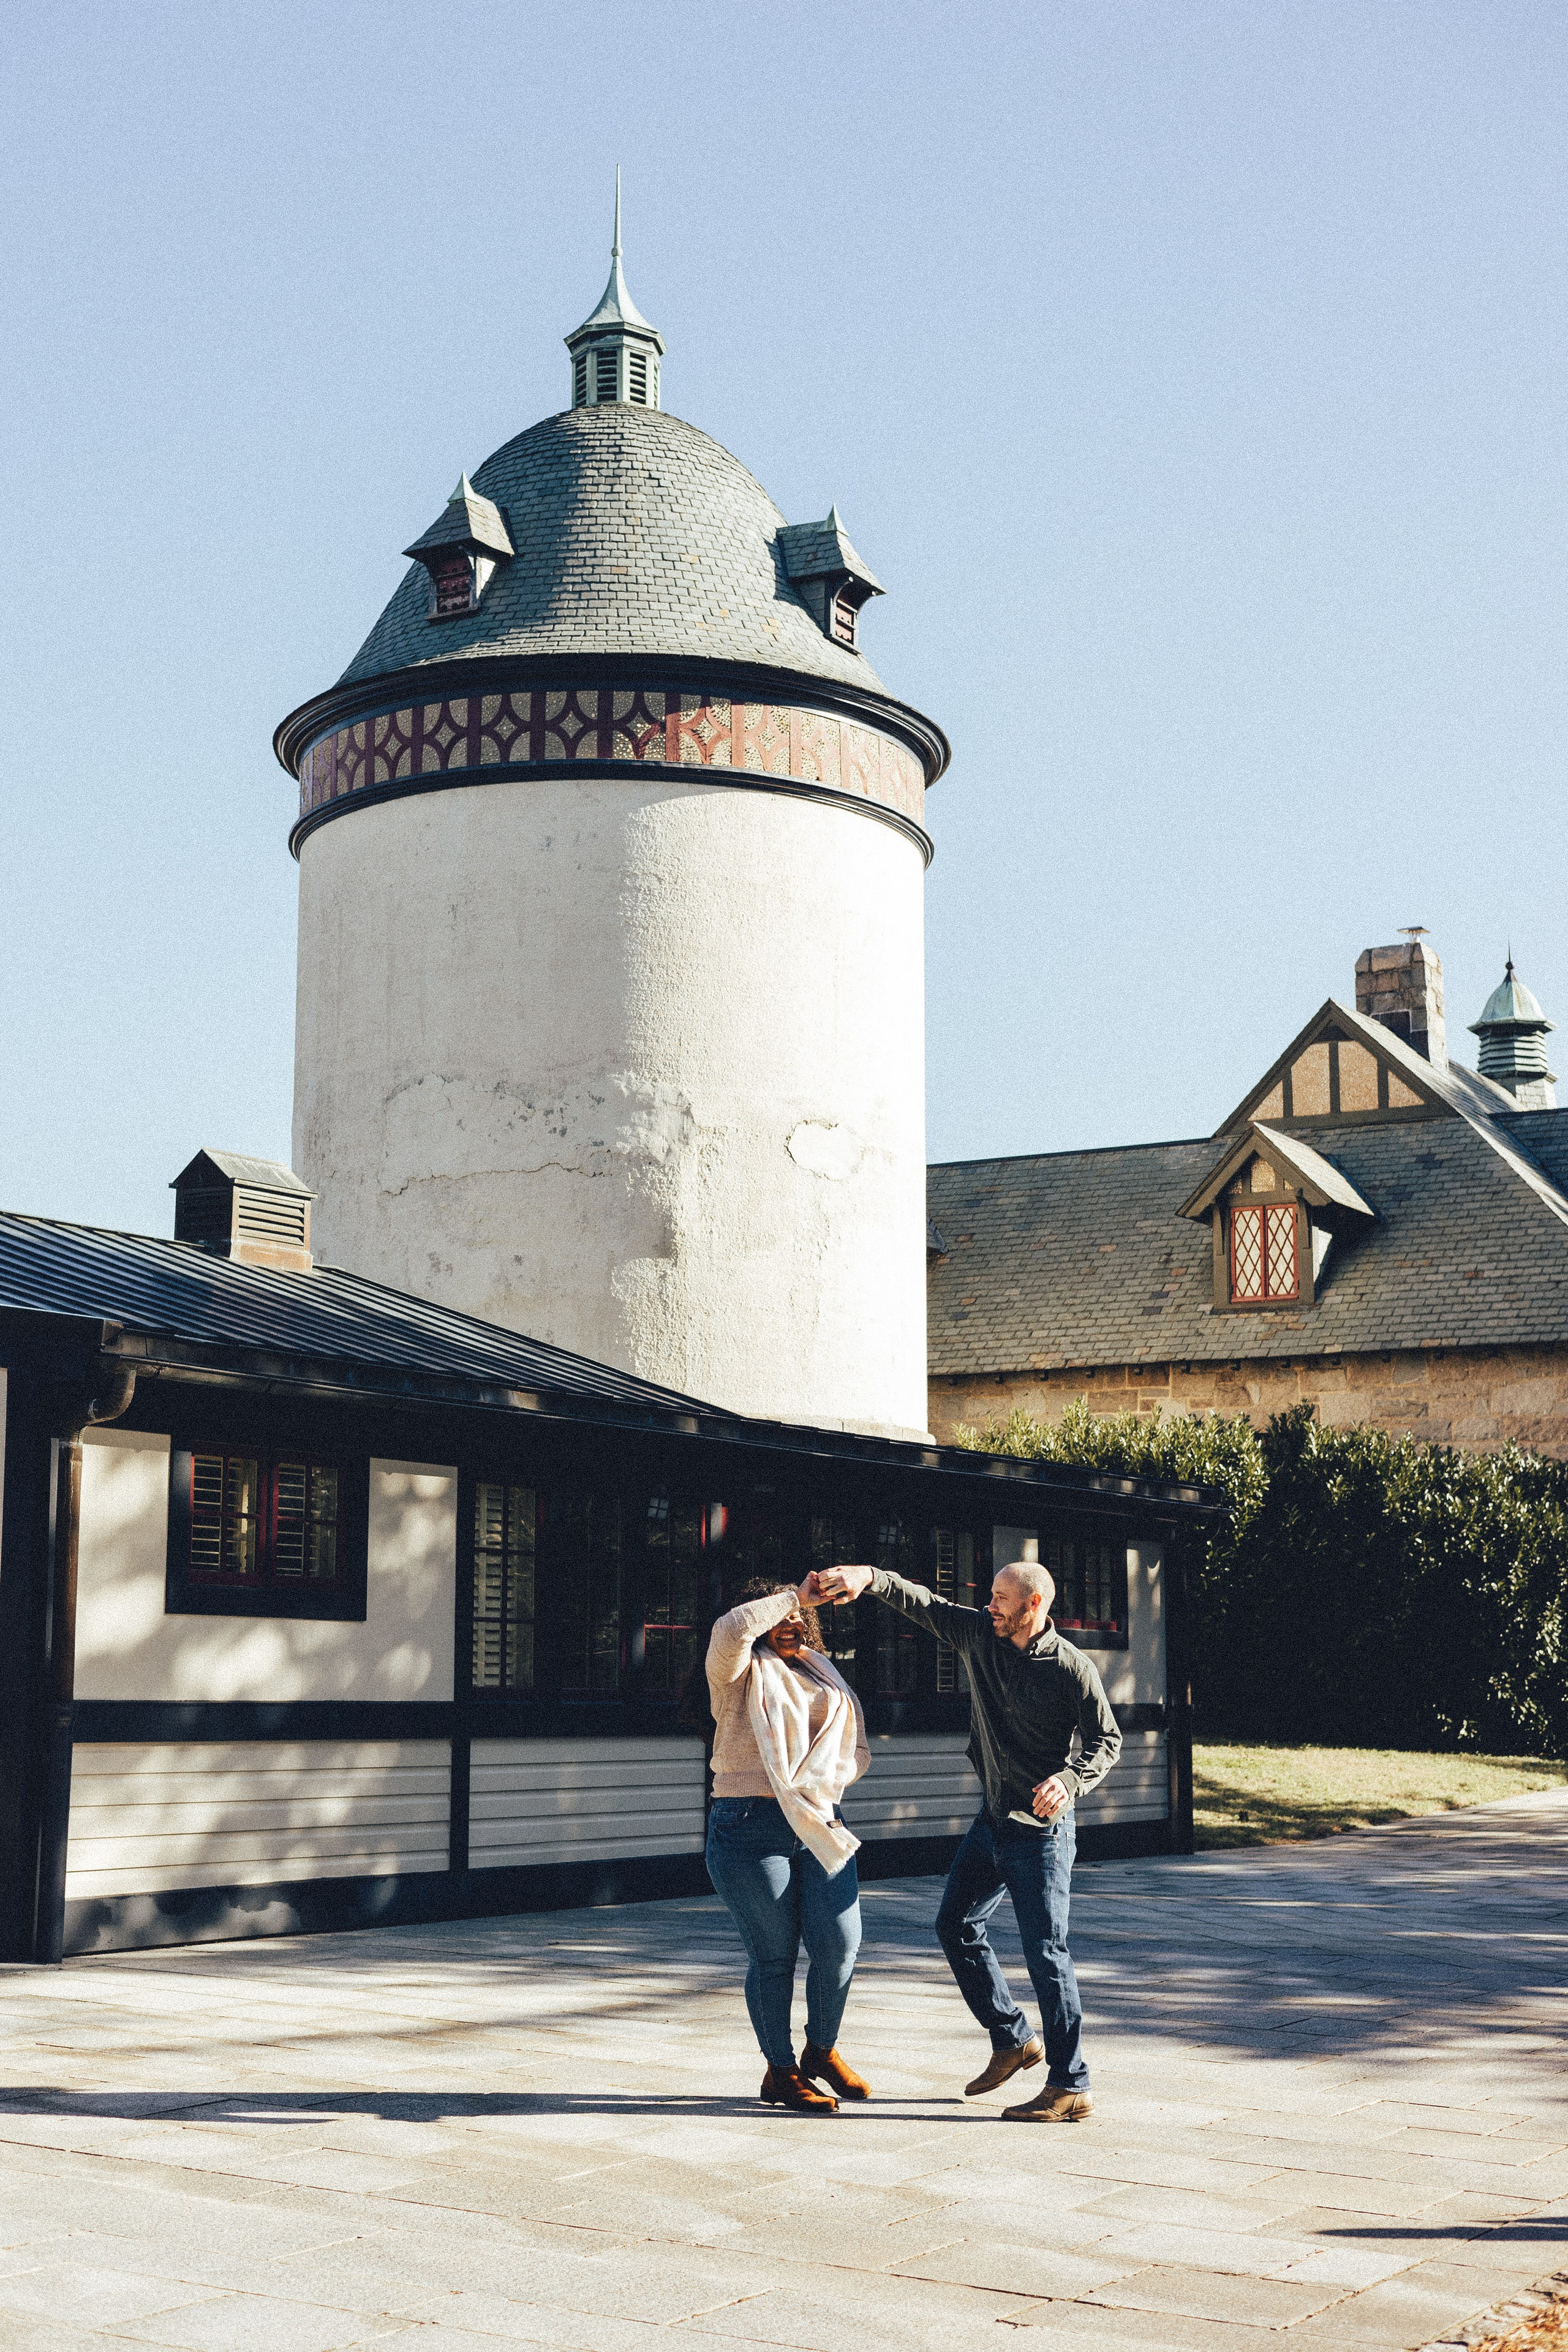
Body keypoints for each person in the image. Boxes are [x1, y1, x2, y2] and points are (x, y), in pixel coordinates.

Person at [813, 1555, 1120, 2122]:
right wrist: (871, 1577)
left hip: (1043, 1832)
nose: (990, 1606)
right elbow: (925, 1602)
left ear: (1034, 1604)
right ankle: (1011, 2038)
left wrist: (1070, 1780)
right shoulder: (980, 1635)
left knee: (1046, 1954)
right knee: (955, 1924)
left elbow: (1107, 1740)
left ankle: (1071, 2083)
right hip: (993, 1820)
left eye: (1002, 1598)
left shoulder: (1072, 1667)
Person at [701, 1574, 872, 2114]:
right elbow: (731, 1628)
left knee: (841, 1944)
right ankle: (780, 2070)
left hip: (819, 1820)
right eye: (779, 1617)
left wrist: (827, 1778)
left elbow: (857, 1746)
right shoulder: (735, 1671)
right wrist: (794, 1597)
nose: (792, 1624)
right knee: (774, 1956)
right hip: (750, 1823)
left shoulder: (823, 1672)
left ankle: (820, 2051)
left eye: (799, 1618)